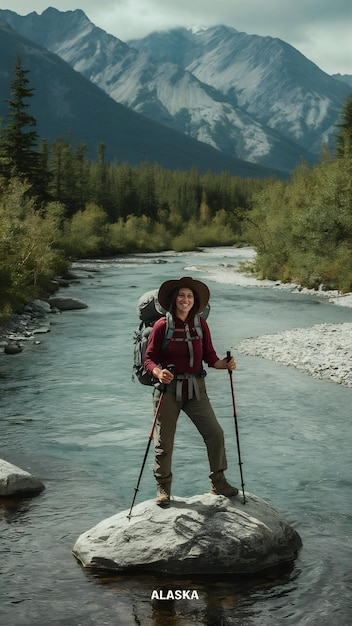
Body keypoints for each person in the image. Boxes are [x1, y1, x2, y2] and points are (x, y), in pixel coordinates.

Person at [143, 276, 238, 507]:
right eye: (181, 295)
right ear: (174, 300)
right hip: (167, 391)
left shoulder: (200, 324)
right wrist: (158, 373)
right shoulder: (162, 326)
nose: (186, 299)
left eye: (190, 296)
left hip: (196, 388)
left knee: (215, 433)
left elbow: (210, 357)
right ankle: (163, 489)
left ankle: (218, 482)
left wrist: (224, 364)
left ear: (194, 301)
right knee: (164, 442)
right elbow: (149, 359)